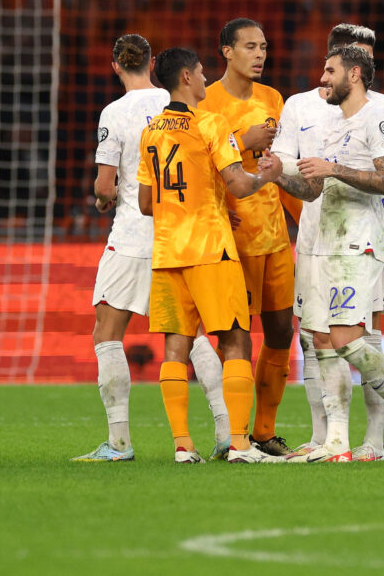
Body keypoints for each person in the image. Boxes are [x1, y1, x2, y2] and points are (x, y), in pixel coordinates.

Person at [73, 34, 230, 463]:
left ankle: (119, 443)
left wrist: (104, 198)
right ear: (154, 61)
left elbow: (105, 186)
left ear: (115, 66)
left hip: (132, 236)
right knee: (190, 336)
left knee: (107, 335)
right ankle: (226, 431)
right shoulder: (178, 102)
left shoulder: (114, 113)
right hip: (181, 236)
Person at [269, 44, 384, 463]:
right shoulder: (334, 123)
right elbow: (313, 190)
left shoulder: (378, 115)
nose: (323, 79)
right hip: (323, 241)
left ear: (353, 74)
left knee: (346, 338)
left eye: (330, 70)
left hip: (359, 240)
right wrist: (278, 175)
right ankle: (337, 440)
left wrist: (333, 168)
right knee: (321, 338)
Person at [136, 47, 284, 464]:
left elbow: (146, 203)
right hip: (210, 248)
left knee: (175, 348)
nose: (205, 79)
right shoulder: (210, 122)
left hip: (168, 252)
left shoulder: (151, 131)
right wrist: (266, 177)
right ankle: (240, 444)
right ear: (186, 77)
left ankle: (183, 446)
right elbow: (238, 184)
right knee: (236, 339)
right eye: (201, 72)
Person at [198, 17, 296, 458]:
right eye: (250, 46)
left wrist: (302, 218)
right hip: (232, 241)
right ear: (227, 51)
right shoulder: (206, 101)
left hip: (274, 236)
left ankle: (264, 432)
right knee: (235, 340)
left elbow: (279, 167)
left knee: (280, 333)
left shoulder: (273, 98)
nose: (260, 55)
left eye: (264, 46)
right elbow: (196, 165)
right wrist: (242, 139)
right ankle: (234, 434)